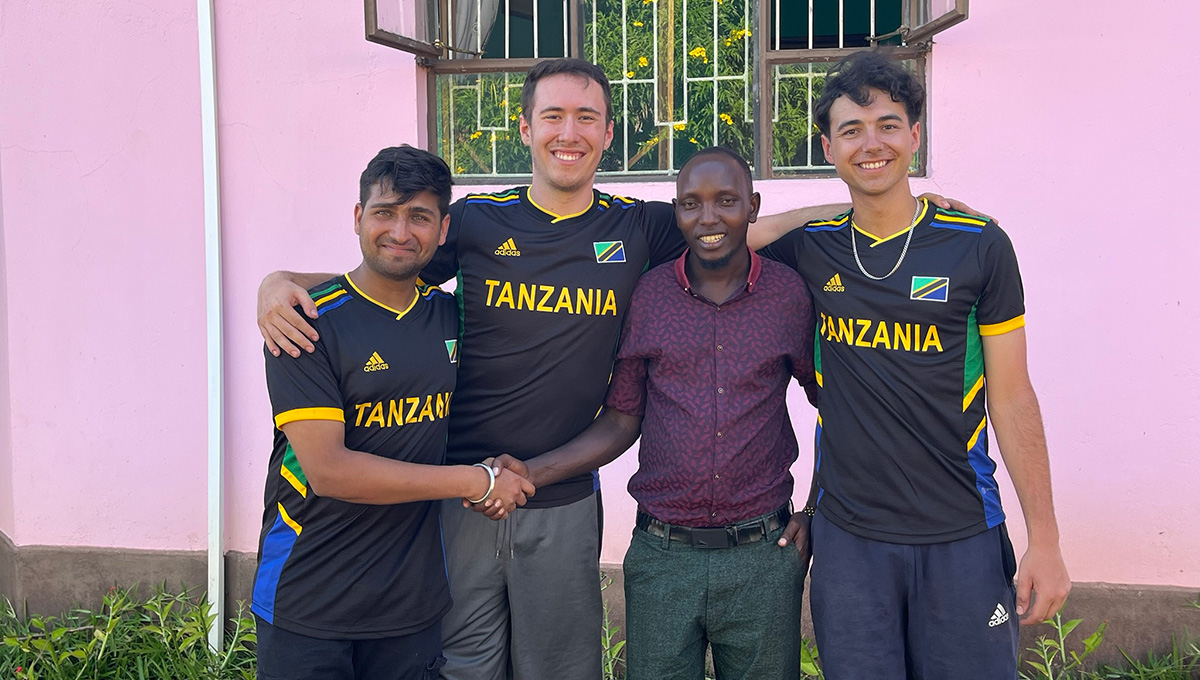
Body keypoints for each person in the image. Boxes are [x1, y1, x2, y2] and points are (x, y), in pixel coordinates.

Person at [255, 59, 976, 680]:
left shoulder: (639, 227)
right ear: (526, 127)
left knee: (560, 667)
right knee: (463, 664)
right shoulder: (474, 221)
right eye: (554, 116)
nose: (569, 132)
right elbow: (387, 271)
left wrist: (880, 203)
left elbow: (736, 225)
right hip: (458, 494)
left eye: (587, 117)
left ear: (607, 133)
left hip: (564, 497)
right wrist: (280, 281)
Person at [759, 50, 1071, 679]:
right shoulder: (814, 248)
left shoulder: (978, 244)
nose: (871, 144)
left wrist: (1047, 538)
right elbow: (727, 240)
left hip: (961, 530)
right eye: (851, 131)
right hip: (850, 540)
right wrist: (836, 209)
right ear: (827, 147)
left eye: (888, 125)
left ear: (916, 135)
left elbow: (1011, 398)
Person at [485, 146, 818, 680]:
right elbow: (622, 418)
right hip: (662, 557)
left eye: (726, 201)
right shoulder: (648, 294)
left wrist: (818, 507)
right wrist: (532, 472)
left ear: (753, 207)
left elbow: (839, 405)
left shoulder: (789, 296)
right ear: (676, 211)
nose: (708, 219)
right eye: (691, 204)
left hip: (763, 557)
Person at [252, 145, 533, 680]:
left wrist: (508, 467)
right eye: (385, 212)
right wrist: (477, 481)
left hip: (411, 602)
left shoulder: (453, 316)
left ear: (443, 228)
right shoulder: (307, 323)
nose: (401, 232)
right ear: (359, 218)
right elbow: (329, 471)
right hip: (310, 597)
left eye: (420, 216)